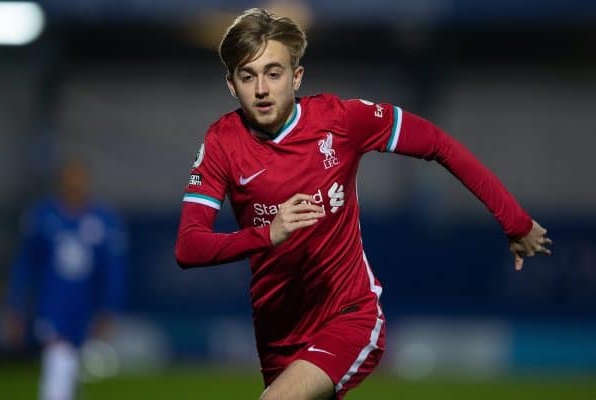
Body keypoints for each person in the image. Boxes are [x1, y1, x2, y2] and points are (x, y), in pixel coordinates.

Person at [174, 8, 552, 400]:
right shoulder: (222, 142)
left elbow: (438, 144)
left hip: (348, 315)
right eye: (247, 76)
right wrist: (267, 234)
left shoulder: (341, 120)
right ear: (232, 86)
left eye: (274, 72)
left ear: (296, 76)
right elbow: (189, 246)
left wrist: (516, 221)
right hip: (276, 329)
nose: (262, 89)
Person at [4, 159, 127, 400]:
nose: (75, 184)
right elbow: (25, 266)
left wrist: (109, 308)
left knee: (71, 363)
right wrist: (15, 307)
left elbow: (113, 270)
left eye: (79, 178)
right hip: (52, 303)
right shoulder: (42, 217)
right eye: (70, 178)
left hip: (85, 305)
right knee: (57, 355)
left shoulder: (103, 220)